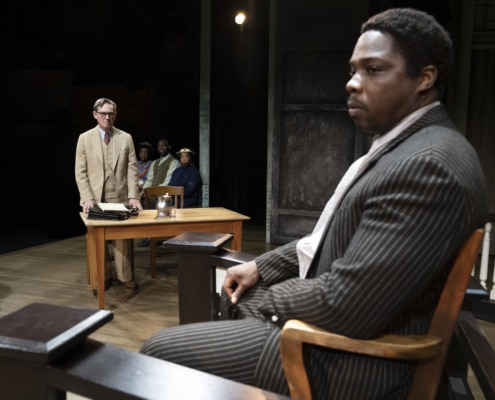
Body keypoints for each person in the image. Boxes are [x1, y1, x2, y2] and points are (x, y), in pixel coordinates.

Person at [139, 8, 488, 399]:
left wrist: (263, 304)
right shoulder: (413, 145)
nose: (353, 84)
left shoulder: (428, 166)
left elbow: (347, 305)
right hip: (346, 333)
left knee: (158, 352)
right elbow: (329, 239)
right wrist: (261, 265)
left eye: (373, 70)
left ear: (425, 78)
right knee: (237, 292)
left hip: (354, 361)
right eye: (353, 70)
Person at [75, 97, 142, 291]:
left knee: (123, 237)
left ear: (115, 115)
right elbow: (80, 172)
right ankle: (102, 277)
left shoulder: (125, 137)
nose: (107, 117)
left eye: (111, 113)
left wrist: (133, 196)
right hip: (95, 197)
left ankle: (125, 276)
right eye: (103, 113)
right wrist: (87, 197)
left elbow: (132, 169)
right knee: (97, 239)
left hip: (119, 195)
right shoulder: (84, 138)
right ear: (95, 115)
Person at [138, 138, 181, 247]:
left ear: (169, 147)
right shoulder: (155, 162)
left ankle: (154, 235)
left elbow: (168, 181)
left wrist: (153, 191)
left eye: (164, 145)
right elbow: (150, 179)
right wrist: (145, 190)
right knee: (140, 197)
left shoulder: (174, 162)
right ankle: (146, 233)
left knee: (150, 199)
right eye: (159, 146)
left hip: (165, 192)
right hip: (153, 191)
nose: (161, 147)